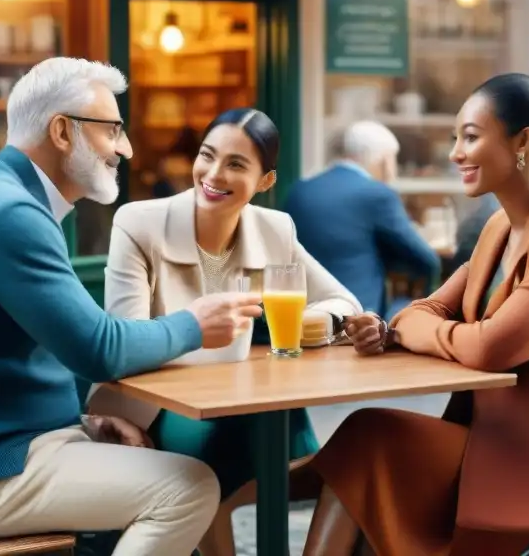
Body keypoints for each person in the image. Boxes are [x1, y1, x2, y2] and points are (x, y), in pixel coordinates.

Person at [0, 58, 263, 556]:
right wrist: (196, 324)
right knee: (188, 488)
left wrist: (82, 424)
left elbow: (25, 352)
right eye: (112, 130)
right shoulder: (9, 214)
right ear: (62, 131)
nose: (125, 148)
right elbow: (100, 349)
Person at [301, 72, 529, 556]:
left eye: (470, 136)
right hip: (497, 431)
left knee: (371, 439)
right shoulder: (500, 228)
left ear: (522, 143)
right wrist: (407, 328)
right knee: (369, 445)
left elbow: (493, 348)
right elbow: (424, 309)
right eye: (456, 138)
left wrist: (421, 329)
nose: (455, 153)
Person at [95, 107, 362, 556]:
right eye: (207, 156)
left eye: (236, 164)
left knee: (338, 451)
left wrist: (298, 324)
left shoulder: (274, 228)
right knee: (222, 445)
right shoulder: (139, 223)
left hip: (247, 401)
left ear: (265, 182)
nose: (213, 174)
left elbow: (344, 304)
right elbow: (129, 339)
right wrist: (195, 330)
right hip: (157, 407)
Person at [283, 120, 440, 315]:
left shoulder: (299, 190)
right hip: (358, 318)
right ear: (383, 160)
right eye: (393, 160)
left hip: (302, 315)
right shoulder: (377, 193)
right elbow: (427, 260)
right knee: (404, 307)